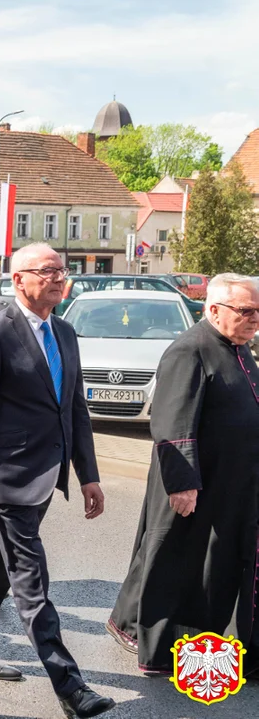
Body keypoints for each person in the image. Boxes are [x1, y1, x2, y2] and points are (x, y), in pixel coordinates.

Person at [0, 243, 113, 719]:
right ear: (18, 280)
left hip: (49, 474)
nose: (58, 278)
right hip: (6, 480)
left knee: (0, 565)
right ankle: (70, 685)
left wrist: (89, 476)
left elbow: (74, 409)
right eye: (47, 271)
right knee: (31, 578)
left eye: (61, 271)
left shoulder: (64, 331)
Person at [108, 274, 259, 673]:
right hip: (193, 482)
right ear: (214, 310)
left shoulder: (238, 348)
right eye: (246, 311)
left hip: (230, 484)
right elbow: (172, 422)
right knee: (170, 562)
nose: (254, 320)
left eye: (258, 313)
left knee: (208, 566)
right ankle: (154, 645)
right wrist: (184, 483)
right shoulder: (190, 350)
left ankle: (186, 639)